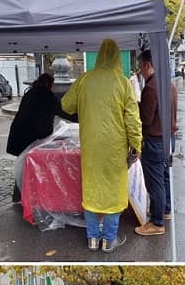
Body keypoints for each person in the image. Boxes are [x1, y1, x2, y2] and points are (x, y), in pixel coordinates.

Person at [61, 39, 142, 253]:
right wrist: (136, 145)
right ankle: (109, 240)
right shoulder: (123, 82)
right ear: (117, 58)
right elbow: (133, 119)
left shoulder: (85, 79)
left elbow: (66, 105)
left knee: (92, 191)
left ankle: (92, 239)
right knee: (114, 192)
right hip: (116, 149)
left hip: (91, 148)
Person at [135, 50, 171, 237]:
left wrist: (137, 106)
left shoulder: (151, 88)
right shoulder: (167, 84)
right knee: (163, 177)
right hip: (165, 138)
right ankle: (165, 210)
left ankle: (157, 223)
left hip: (153, 139)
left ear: (148, 65)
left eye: (140, 67)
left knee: (155, 182)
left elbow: (146, 119)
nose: (140, 71)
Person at [5, 73, 77, 157]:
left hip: (19, 132)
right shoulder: (48, 96)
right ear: (49, 84)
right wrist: (80, 118)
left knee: (23, 159)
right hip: (32, 136)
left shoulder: (30, 93)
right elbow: (63, 112)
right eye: (53, 84)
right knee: (30, 159)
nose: (54, 87)